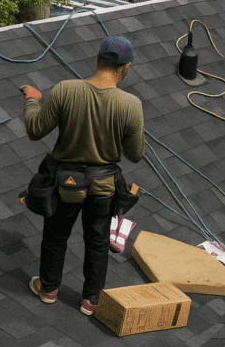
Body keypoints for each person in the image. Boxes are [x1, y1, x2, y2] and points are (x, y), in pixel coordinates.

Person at [20, 35, 144, 315]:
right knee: (98, 242)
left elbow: (35, 130)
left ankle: (49, 289)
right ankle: (91, 301)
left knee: (55, 236)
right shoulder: (131, 105)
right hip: (103, 188)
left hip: (65, 184)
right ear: (126, 68)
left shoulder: (66, 90)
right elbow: (135, 154)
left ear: (98, 59)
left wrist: (32, 100)